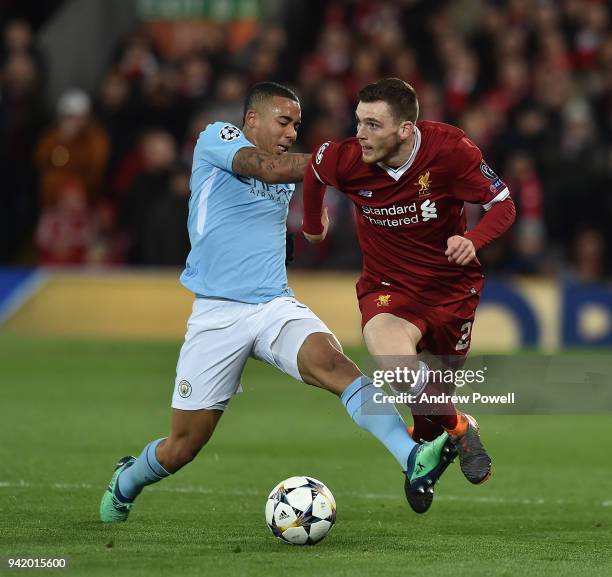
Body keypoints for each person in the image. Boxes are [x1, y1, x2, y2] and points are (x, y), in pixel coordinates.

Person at [100, 82, 454, 522]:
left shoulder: (291, 172)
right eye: (284, 121)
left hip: (273, 305)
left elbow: (287, 216)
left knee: (335, 364)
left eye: (297, 125)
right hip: (217, 314)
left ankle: (410, 457)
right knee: (183, 446)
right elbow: (267, 169)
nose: (291, 132)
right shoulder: (217, 138)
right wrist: (349, 162)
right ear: (252, 119)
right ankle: (128, 480)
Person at [302, 78, 516, 485]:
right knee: (398, 370)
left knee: (429, 416)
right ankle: (462, 429)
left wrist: (473, 240)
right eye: (358, 121)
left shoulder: (450, 150)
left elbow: (503, 205)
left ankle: (426, 451)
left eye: (373, 125)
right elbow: (316, 168)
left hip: (451, 292)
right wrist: (315, 224)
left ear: (406, 130)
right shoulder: (346, 158)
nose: (360, 134)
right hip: (389, 290)